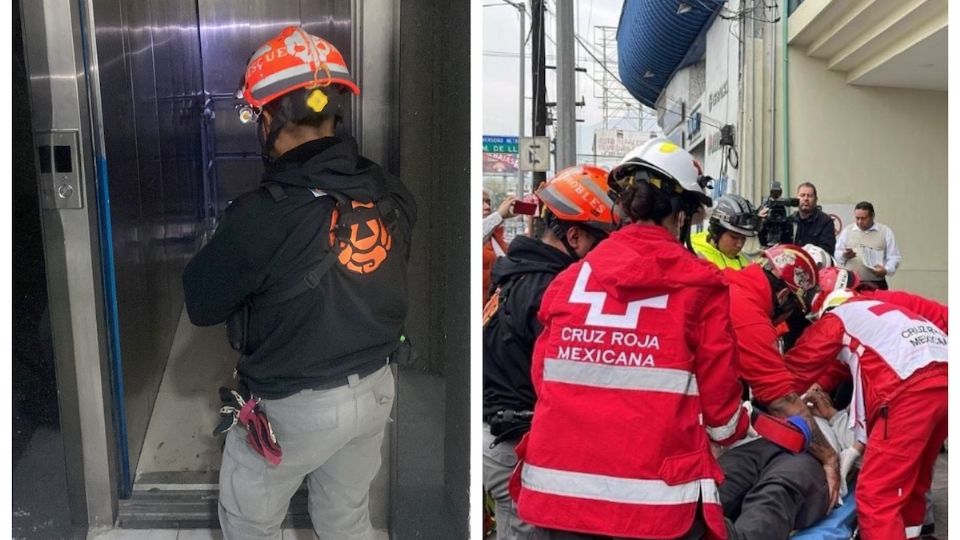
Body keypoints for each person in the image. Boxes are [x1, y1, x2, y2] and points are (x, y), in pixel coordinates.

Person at [181, 27, 415, 539]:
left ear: (267, 117)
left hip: (291, 410)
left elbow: (201, 301)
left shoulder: (259, 217)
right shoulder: (389, 192)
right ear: (336, 110)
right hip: (377, 388)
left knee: (249, 523)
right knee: (347, 517)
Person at [511, 138, 751, 539]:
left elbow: (543, 379)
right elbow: (722, 413)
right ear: (682, 215)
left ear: (622, 208)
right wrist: (739, 427)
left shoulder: (570, 281)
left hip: (559, 501)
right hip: (655, 510)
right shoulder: (700, 286)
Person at [482, 165, 617, 540]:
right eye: (604, 241)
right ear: (574, 236)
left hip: (502, 437)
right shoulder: (553, 292)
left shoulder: (519, 274)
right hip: (518, 447)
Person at [785, 289, 948, 539]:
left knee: (876, 496)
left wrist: (770, 400)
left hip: (909, 392)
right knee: (913, 482)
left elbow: (796, 369)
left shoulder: (837, 318)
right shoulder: (884, 315)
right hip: (944, 380)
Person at [719, 244, 838, 540]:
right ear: (784, 295)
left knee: (776, 494)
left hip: (795, 453)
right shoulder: (749, 315)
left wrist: (834, 415)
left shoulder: (730, 286)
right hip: (757, 444)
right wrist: (829, 457)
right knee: (719, 488)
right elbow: (781, 400)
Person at [835, 201, 901, 290]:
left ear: (872, 216)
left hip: (876, 284)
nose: (860, 222)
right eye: (857, 218)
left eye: (863, 218)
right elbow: (837, 253)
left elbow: (894, 257)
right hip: (851, 284)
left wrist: (886, 270)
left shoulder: (885, 231)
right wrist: (844, 255)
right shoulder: (848, 230)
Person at [759, 182, 835, 253]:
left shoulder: (825, 221)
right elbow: (765, 242)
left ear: (816, 199)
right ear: (796, 199)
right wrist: (761, 223)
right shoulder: (789, 221)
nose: (806, 199)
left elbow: (827, 249)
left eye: (810, 196)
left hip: (814, 265)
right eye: (802, 195)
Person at [691, 194, 759, 270]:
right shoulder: (693, 255)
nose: (739, 245)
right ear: (716, 232)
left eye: (743, 238)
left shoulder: (745, 260)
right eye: (734, 237)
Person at [483, 191, 517, 303]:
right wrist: (498, 216)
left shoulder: (494, 235)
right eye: (481, 202)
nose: (487, 206)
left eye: (488, 202)